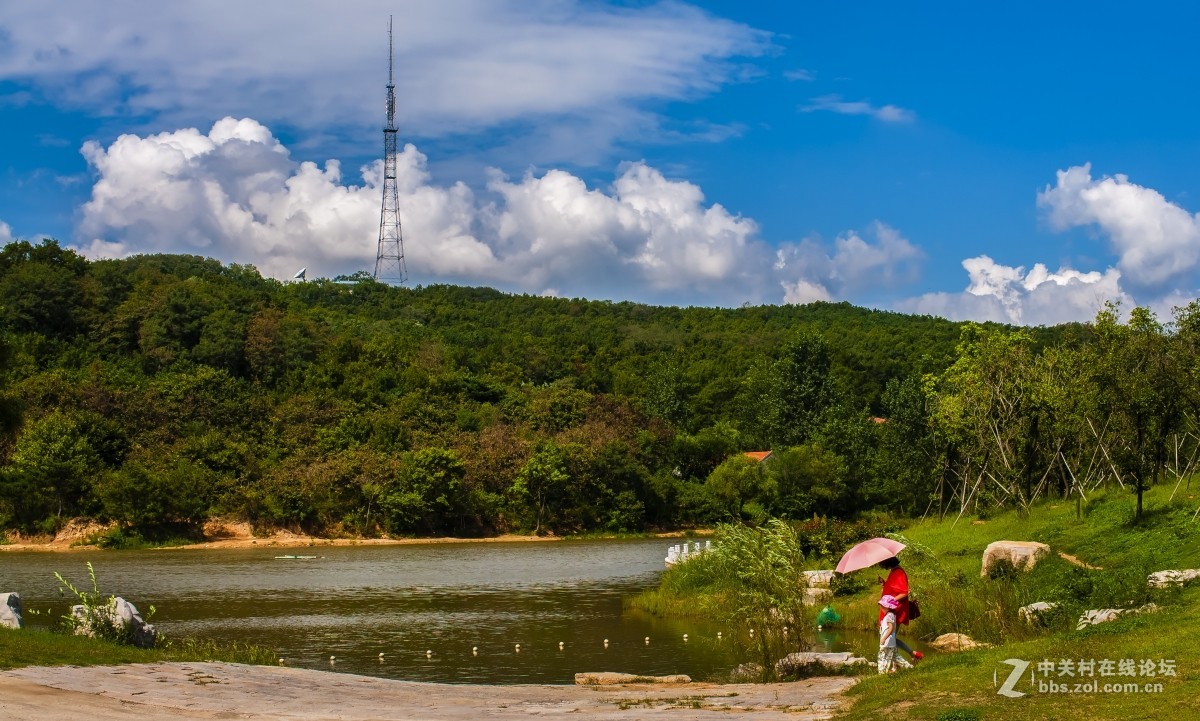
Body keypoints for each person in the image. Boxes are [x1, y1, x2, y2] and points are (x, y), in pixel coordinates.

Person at [877, 556, 923, 663]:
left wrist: (888, 602)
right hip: (890, 610)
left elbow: (904, 593)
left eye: (882, 563)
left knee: (888, 638)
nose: (881, 566)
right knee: (889, 638)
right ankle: (912, 655)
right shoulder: (894, 571)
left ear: (887, 562)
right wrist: (884, 584)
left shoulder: (899, 573)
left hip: (895, 611)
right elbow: (894, 589)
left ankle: (904, 662)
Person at [877, 594, 911, 673]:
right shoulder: (891, 615)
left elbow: (891, 628)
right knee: (895, 657)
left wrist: (884, 638)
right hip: (891, 642)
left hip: (887, 642)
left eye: (882, 606)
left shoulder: (889, 616)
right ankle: (909, 667)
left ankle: (882, 673)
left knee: (882, 657)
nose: (881, 608)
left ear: (888, 607)